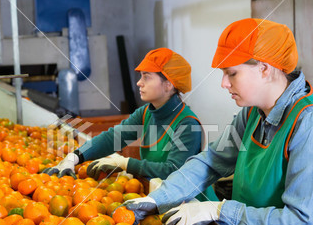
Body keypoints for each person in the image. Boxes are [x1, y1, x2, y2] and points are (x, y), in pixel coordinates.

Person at [123, 18, 313, 225]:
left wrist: (219, 211)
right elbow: (210, 162)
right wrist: (156, 198)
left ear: (265, 69)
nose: (224, 84)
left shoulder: (310, 122)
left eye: (232, 73)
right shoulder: (252, 114)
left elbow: (300, 223)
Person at [43, 47, 219, 202]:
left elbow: (172, 170)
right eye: (140, 76)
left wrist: (126, 163)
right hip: (164, 197)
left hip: (194, 206)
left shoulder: (187, 124)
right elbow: (113, 138)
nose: (139, 83)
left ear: (168, 85)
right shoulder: (146, 113)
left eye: (146, 77)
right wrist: (75, 157)